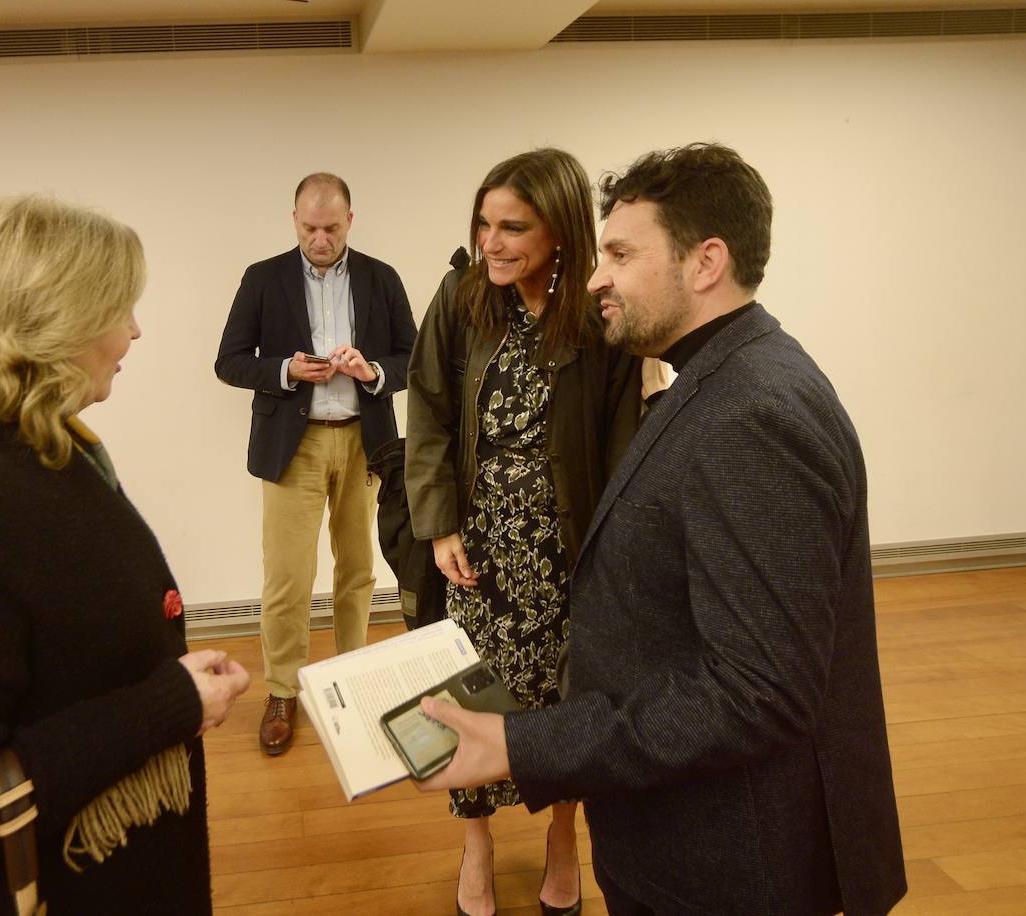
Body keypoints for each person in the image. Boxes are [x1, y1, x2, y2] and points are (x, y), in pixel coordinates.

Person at [416, 144, 908, 915]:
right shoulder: (723, 378)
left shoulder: (754, 415)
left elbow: (758, 693)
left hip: (728, 862)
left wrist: (525, 744)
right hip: (688, 836)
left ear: (705, 262)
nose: (598, 275)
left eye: (618, 253)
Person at [0, 195, 251, 914]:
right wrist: (166, 706)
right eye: (119, 308)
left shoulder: (30, 449)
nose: (135, 330)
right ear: (56, 323)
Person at [405, 148, 640, 916]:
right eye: (484, 224)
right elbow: (430, 413)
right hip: (475, 548)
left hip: (564, 549)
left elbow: (618, 444)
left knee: (561, 700)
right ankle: (475, 843)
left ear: (560, 231)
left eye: (513, 227)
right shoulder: (460, 298)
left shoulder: (600, 319)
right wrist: (438, 526)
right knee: (470, 696)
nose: (493, 243)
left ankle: (562, 835)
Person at [215, 173, 417, 756]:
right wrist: (285, 371)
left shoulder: (382, 278)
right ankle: (282, 691)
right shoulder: (263, 278)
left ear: (350, 220)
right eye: (309, 227)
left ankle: (351, 681)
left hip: (363, 442)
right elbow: (229, 361)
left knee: (357, 571)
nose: (320, 238)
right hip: (292, 447)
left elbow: (412, 358)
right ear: (294, 220)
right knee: (287, 578)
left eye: (331, 227)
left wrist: (370, 371)